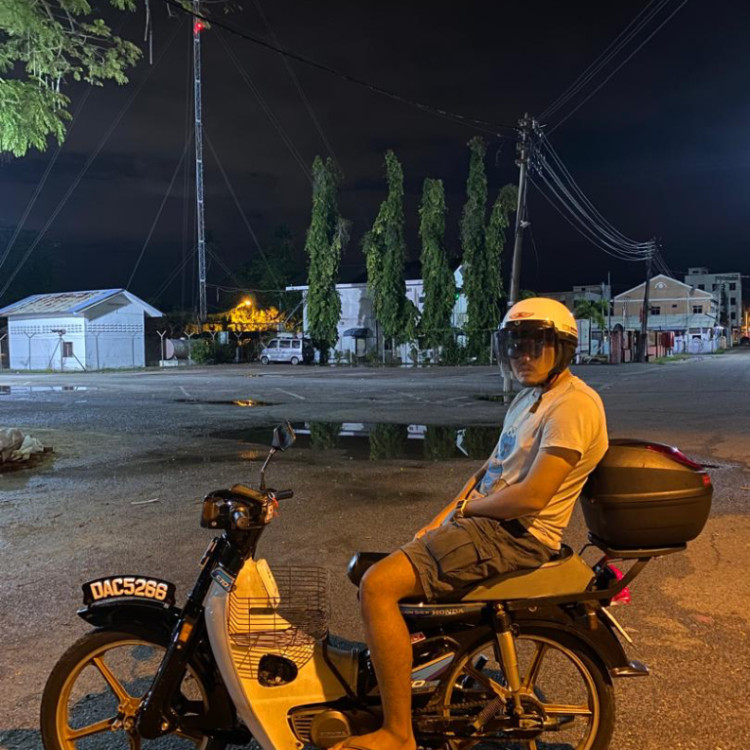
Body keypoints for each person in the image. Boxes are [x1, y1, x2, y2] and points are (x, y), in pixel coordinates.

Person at [334, 297, 609, 750]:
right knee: (371, 570)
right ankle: (416, 678)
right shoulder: (529, 399)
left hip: (515, 534)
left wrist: (468, 514)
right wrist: (442, 518)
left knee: (378, 586)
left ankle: (398, 733)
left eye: (535, 344)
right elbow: (488, 471)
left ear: (561, 349)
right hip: (489, 525)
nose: (522, 355)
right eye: (514, 344)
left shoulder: (573, 406)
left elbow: (532, 496)